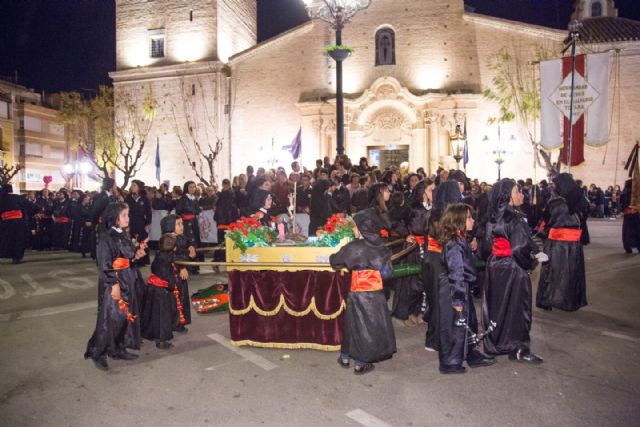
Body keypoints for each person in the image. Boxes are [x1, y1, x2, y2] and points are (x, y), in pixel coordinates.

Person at [483, 179, 545, 363]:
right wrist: (531, 261)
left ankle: (495, 344)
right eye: (517, 191)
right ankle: (519, 348)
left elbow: (486, 245)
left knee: (499, 306)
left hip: (495, 266)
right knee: (518, 308)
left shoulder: (493, 216)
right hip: (512, 267)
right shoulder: (513, 218)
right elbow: (519, 248)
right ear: (508, 196)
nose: (521, 195)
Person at [330, 206, 396, 375]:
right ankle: (359, 362)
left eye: (355, 226)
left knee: (353, 324)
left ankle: (346, 358)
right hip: (375, 294)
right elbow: (388, 273)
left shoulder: (354, 247)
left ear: (362, 228)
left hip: (357, 293)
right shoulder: (381, 248)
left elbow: (335, 262)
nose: (353, 229)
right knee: (368, 327)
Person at [84, 202, 146, 371]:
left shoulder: (122, 234)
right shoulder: (106, 238)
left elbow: (127, 255)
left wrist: (136, 254)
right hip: (115, 280)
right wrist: (113, 285)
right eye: (124, 215)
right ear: (114, 218)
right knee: (109, 318)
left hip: (127, 278)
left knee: (125, 316)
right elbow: (104, 264)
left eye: (128, 214)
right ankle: (99, 352)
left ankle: (118, 348)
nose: (128, 218)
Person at [435, 203, 495, 374]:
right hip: (454, 288)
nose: (473, 220)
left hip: (460, 286)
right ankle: (450, 363)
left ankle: (471, 353)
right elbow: (456, 272)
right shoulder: (454, 243)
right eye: (469, 217)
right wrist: (458, 299)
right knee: (454, 325)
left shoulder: (460, 239)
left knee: (468, 322)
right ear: (459, 220)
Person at [536, 173, 587, 312]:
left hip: (557, 243)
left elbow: (548, 220)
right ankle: (570, 302)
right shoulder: (579, 200)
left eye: (555, 184)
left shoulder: (556, 203)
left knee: (552, 274)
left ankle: (547, 300)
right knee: (571, 273)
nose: (553, 186)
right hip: (574, 244)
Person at [423, 181, 462, 352]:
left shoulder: (434, 212)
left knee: (434, 302)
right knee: (442, 303)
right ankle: (439, 341)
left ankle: (433, 339)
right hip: (441, 261)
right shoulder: (446, 216)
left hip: (431, 261)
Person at [142, 233, 178, 349]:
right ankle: (162, 339)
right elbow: (168, 277)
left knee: (154, 314)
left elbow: (153, 268)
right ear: (174, 247)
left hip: (152, 288)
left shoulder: (159, 255)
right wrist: (172, 285)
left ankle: (150, 333)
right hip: (162, 291)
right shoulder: (168, 259)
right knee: (164, 316)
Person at [160, 214, 194, 332]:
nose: (182, 227)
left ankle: (180, 322)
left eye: (182, 224)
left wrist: (191, 247)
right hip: (171, 276)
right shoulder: (168, 239)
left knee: (182, 298)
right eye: (178, 224)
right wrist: (181, 267)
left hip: (180, 276)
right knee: (174, 299)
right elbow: (172, 256)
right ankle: (172, 323)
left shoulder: (181, 237)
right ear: (170, 226)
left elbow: (187, 243)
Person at [0, 184, 33, 264]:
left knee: (5, 239)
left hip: (5, 222)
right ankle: (16, 257)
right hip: (18, 222)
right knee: (18, 239)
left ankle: (4, 254)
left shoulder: (1, 198)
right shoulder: (18, 197)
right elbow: (30, 206)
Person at [175, 181, 201, 273]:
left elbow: (197, 210)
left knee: (195, 242)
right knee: (188, 242)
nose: (193, 188)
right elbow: (178, 210)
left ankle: (195, 266)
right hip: (186, 223)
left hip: (194, 222)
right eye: (191, 187)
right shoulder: (183, 198)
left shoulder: (195, 198)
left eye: (194, 187)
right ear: (186, 188)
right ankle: (188, 266)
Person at [126, 180, 152, 266]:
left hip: (141, 223)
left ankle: (142, 260)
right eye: (132, 185)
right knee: (132, 240)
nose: (132, 187)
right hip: (131, 223)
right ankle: (132, 259)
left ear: (139, 187)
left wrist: (148, 223)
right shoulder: (128, 198)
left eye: (134, 185)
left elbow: (149, 212)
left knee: (142, 241)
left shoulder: (144, 199)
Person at [620, 179, 640, 253]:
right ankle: (639, 247)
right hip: (635, 214)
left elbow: (622, 204)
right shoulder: (635, 192)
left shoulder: (624, 192)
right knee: (637, 230)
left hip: (627, 214)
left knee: (627, 231)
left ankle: (627, 248)